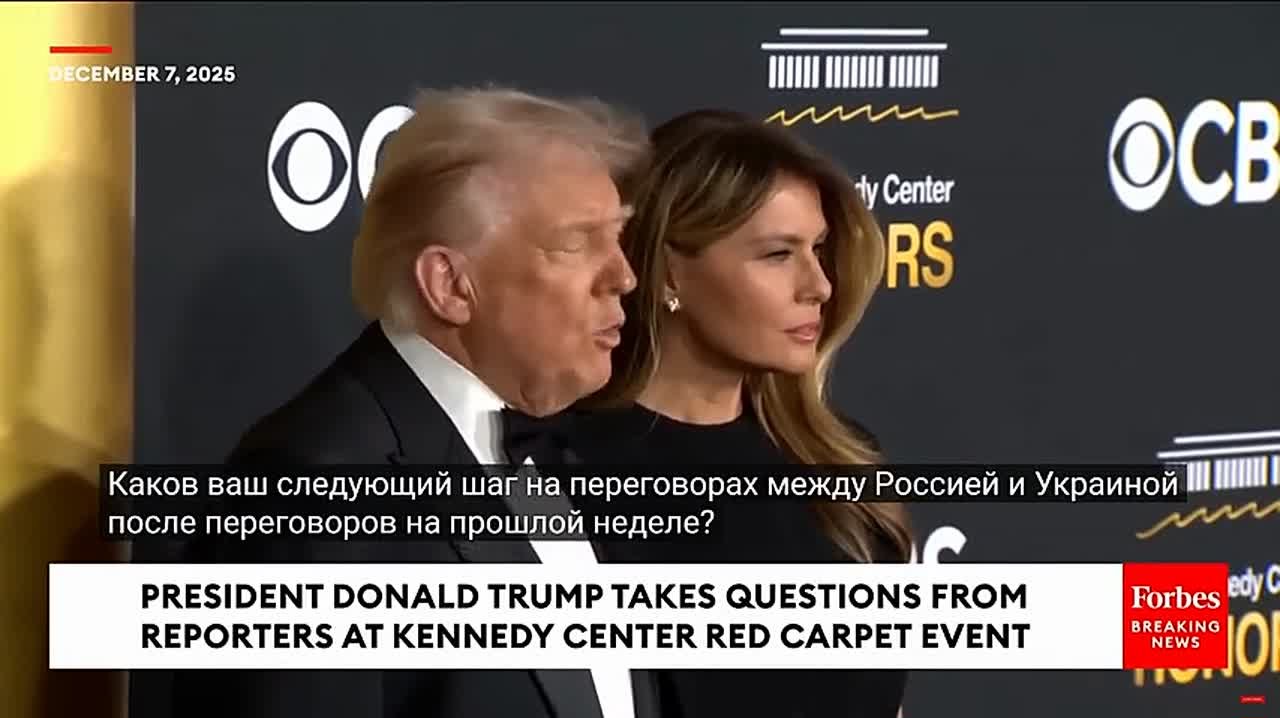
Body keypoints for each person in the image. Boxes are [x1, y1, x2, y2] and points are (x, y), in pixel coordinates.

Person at [161, 87, 657, 718]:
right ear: (450, 285)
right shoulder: (311, 491)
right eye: (576, 243)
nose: (623, 276)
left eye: (617, 238)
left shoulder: (557, 450)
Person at [566, 109, 913, 718]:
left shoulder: (845, 468)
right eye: (778, 254)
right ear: (668, 271)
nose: (819, 286)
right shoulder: (559, 471)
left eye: (819, 250)